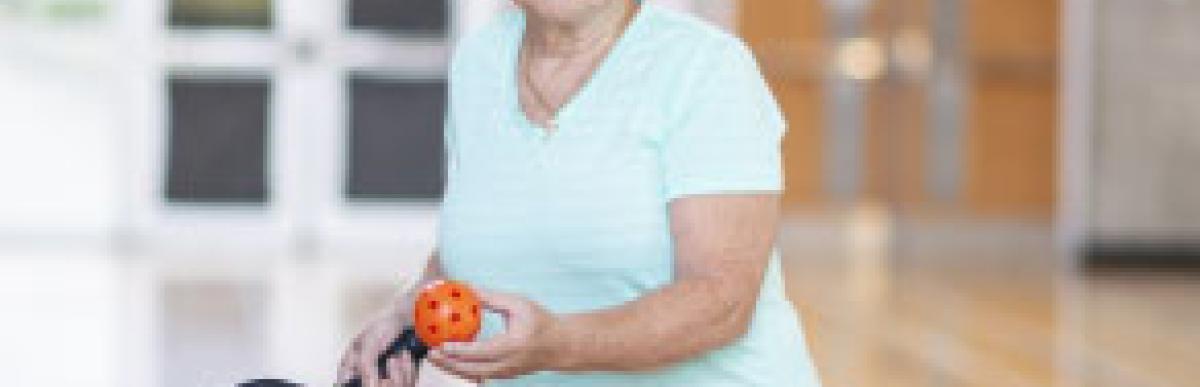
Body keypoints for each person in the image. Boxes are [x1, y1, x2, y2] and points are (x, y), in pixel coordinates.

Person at [337, 1, 821, 386]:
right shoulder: (479, 61)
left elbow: (720, 303)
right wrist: (410, 314)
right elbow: (502, 237)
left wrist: (557, 343)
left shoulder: (706, 67)